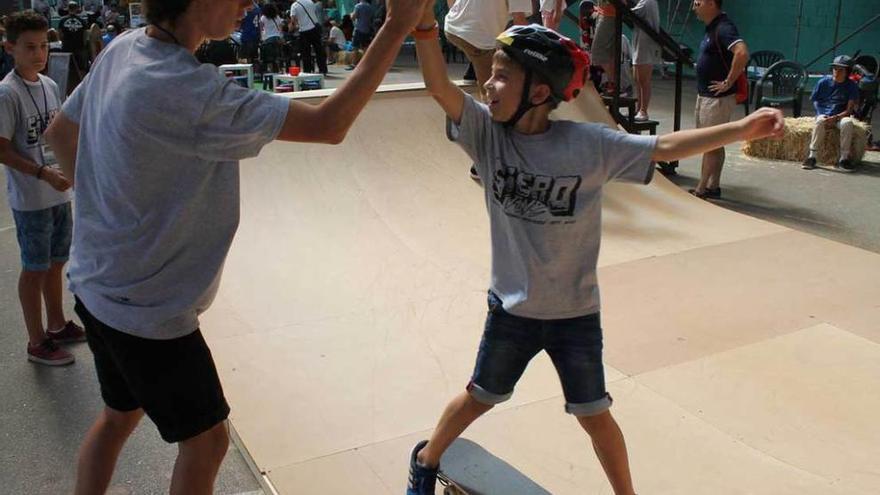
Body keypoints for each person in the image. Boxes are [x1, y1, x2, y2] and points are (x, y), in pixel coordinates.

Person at [43, 0, 431, 492]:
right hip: (145, 313)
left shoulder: (123, 47)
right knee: (206, 443)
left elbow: (60, 133)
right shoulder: (191, 91)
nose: (249, 4)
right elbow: (329, 125)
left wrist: (107, 209)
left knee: (120, 415)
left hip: (95, 284)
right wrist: (397, 27)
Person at [407, 6, 784, 493]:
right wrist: (421, 26)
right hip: (513, 311)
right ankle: (426, 459)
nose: (488, 85)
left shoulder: (588, 145)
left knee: (595, 415)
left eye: (503, 77)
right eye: (491, 75)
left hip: (575, 316)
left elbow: (664, 148)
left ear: (540, 92)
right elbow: (440, 87)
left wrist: (740, 129)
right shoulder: (486, 136)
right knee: (481, 396)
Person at [0, 10, 84, 367]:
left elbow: (58, 134)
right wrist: (41, 173)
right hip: (32, 197)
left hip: (58, 192)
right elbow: (2, 148)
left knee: (57, 262)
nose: (38, 54)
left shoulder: (49, 85)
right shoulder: (7, 93)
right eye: (29, 47)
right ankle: (36, 341)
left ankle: (56, 323)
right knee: (34, 267)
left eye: (43, 46)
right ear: (10, 48)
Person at [690, 0, 748, 199]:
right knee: (715, 142)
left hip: (716, 99)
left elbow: (741, 52)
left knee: (709, 143)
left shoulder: (724, 27)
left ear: (711, 4)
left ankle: (702, 187)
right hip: (706, 96)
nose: (694, 7)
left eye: (698, 3)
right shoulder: (712, 28)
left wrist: (728, 81)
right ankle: (714, 185)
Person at [801, 55, 860, 172]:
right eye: (835, 69)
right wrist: (821, 113)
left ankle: (844, 159)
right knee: (820, 121)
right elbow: (815, 101)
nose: (836, 72)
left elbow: (849, 110)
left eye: (840, 70)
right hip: (824, 114)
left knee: (847, 123)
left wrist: (836, 117)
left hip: (841, 116)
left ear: (847, 72)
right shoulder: (823, 82)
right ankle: (812, 157)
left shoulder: (851, 86)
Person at [629, 0, 661, 121]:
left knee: (643, 80)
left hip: (646, 44)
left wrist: (624, 4)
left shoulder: (648, 1)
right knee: (637, 79)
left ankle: (644, 110)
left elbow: (632, 13)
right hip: (640, 42)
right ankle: (639, 108)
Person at [290, 0, 328, 74]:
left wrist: (293, 27)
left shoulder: (294, 5)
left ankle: (308, 71)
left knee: (306, 53)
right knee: (319, 50)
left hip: (304, 31)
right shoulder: (310, 2)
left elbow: (293, 20)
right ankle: (323, 69)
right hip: (314, 28)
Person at [590, 0, 618, 94]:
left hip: (609, 14)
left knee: (597, 51)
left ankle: (614, 83)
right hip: (605, 13)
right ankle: (612, 83)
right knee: (609, 52)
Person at [59, 1, 89, 74]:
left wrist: (63, 42)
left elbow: (60, 34)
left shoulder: (62, 20)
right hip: (79, 47)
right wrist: (84, 45)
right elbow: (85, 35)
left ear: (68, 9)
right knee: (81, 68)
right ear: (76, 9)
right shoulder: (82, 21)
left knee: (66, 69)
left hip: (66, 47)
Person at [346, 0, 374, 69]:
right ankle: (366, 64)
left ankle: (354, 64)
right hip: (367, 29)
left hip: (358, 29)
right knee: (365, 47)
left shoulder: (358, 6)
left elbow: (353, 17)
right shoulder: (370, 7)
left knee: (355, 48)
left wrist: (351, 14)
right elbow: (371, 18)